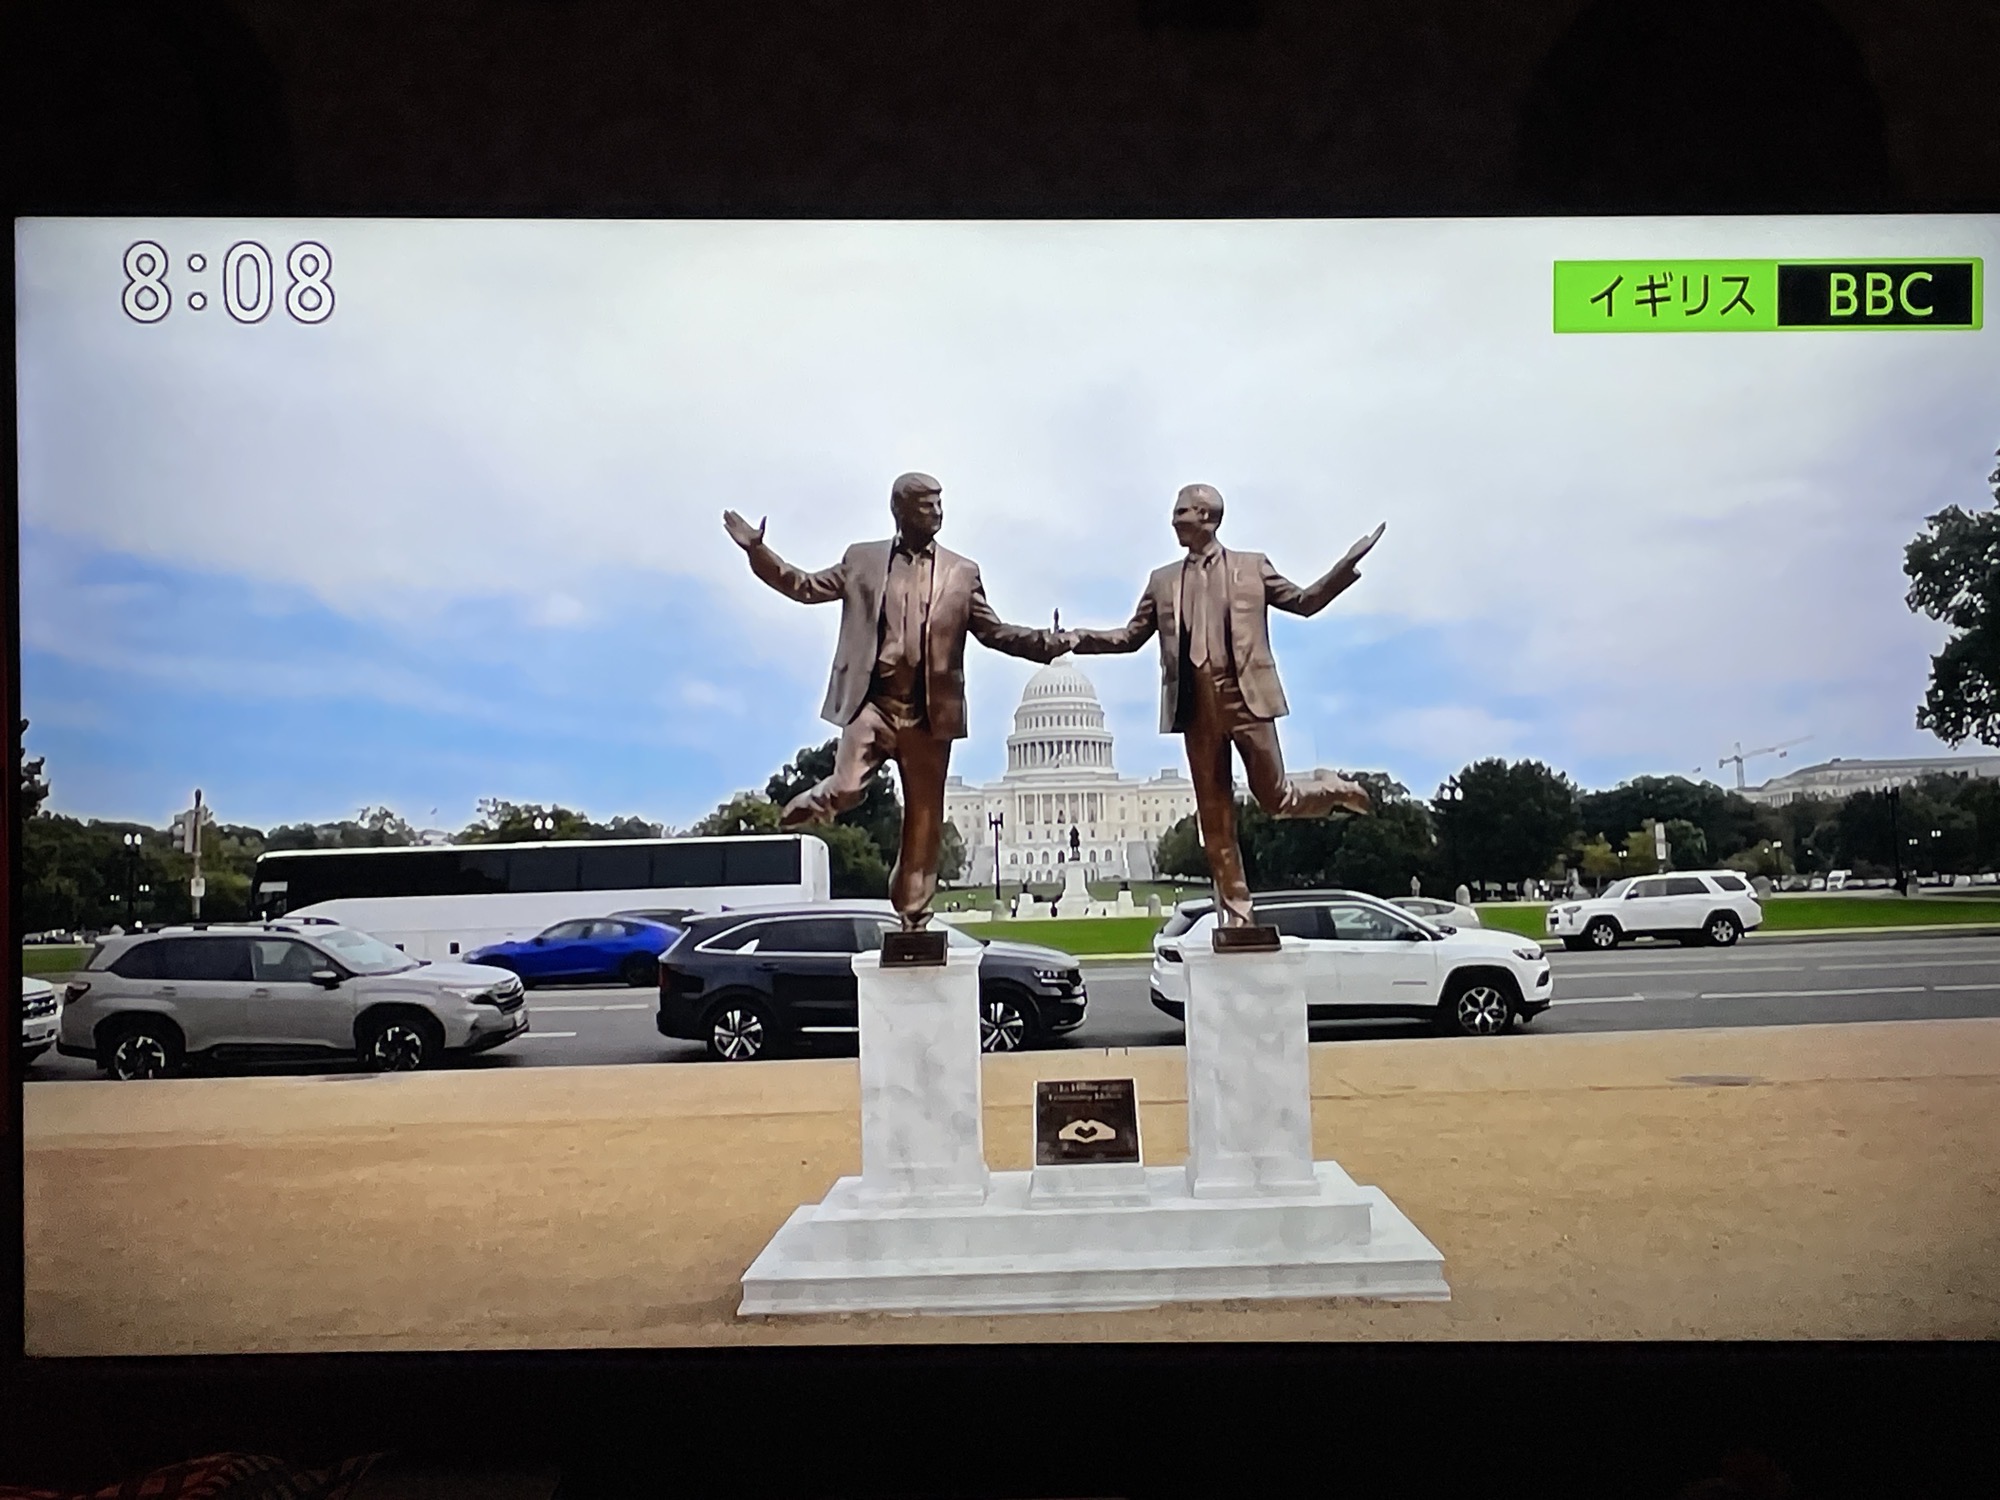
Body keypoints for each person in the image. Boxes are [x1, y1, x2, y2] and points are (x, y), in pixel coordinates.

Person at [723, 472, 1067, 929]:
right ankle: (822, 798)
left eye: (940, 504)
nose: (938, 513)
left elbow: (994, 631)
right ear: (900, 510)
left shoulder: (962, 573)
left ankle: (912, 913)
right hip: (874, 704)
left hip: (928, 714)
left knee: (923, 823)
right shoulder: (862, 560)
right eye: (927, 505)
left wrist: (1044, 644)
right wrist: (758, 552)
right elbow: (804, 586)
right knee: (848, 787)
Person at [1070, 483, 1383, 929]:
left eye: (1182, 512)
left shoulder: (1252, 567)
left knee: (1275, 798)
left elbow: (1304, 602)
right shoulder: (1163, 581)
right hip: (1194, 708)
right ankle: (1238, 915)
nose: (1174, 520)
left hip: (1245, 698)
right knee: (1215, 822)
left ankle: (1329, 789)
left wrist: (1343, 569)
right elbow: (1129, 637)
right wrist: (1078, 639)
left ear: (1208, 517)